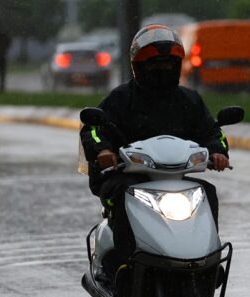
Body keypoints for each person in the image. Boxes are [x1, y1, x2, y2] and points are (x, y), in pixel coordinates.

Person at [80, 24, 230, 267]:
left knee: (207, 192)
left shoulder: (189, 100)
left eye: (169, 63)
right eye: (154, 64)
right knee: (120, 193)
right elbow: (93, 128)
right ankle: (123, 263)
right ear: (138, 66)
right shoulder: (121, 99)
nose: (162, 68)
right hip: (128, 178)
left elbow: (213, 130)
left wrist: (217, 151)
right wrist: (103, 151)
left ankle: (208, 262)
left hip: (177, 179)